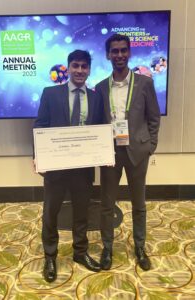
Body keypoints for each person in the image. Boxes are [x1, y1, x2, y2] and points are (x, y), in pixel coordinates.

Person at [34, 50, 102, 283]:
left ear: (89, 69)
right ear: (68, 67)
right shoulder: (50, 93)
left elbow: (100, 131)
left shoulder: (96, 98)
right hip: (56, 167)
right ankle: (50, 256)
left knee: (82, 211)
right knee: (51, 212)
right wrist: (38, 157)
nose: (80, 70)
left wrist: (104, 152)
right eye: (76, 66)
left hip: (83, 169)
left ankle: (80, 252)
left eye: (84, 66)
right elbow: (40, 126)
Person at [95, 34, 160, 271]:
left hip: (137, 152)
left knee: (139, 203)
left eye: (123, 50)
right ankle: (107, 248)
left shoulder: (145, 83)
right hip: (110, 153)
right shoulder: (101, 87)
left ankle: (140, 246)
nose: (119, 55)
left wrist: (151, 146)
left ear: (129, 52)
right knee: (106, 204)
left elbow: (153, 117)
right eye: (114, 51)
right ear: (108, 55)